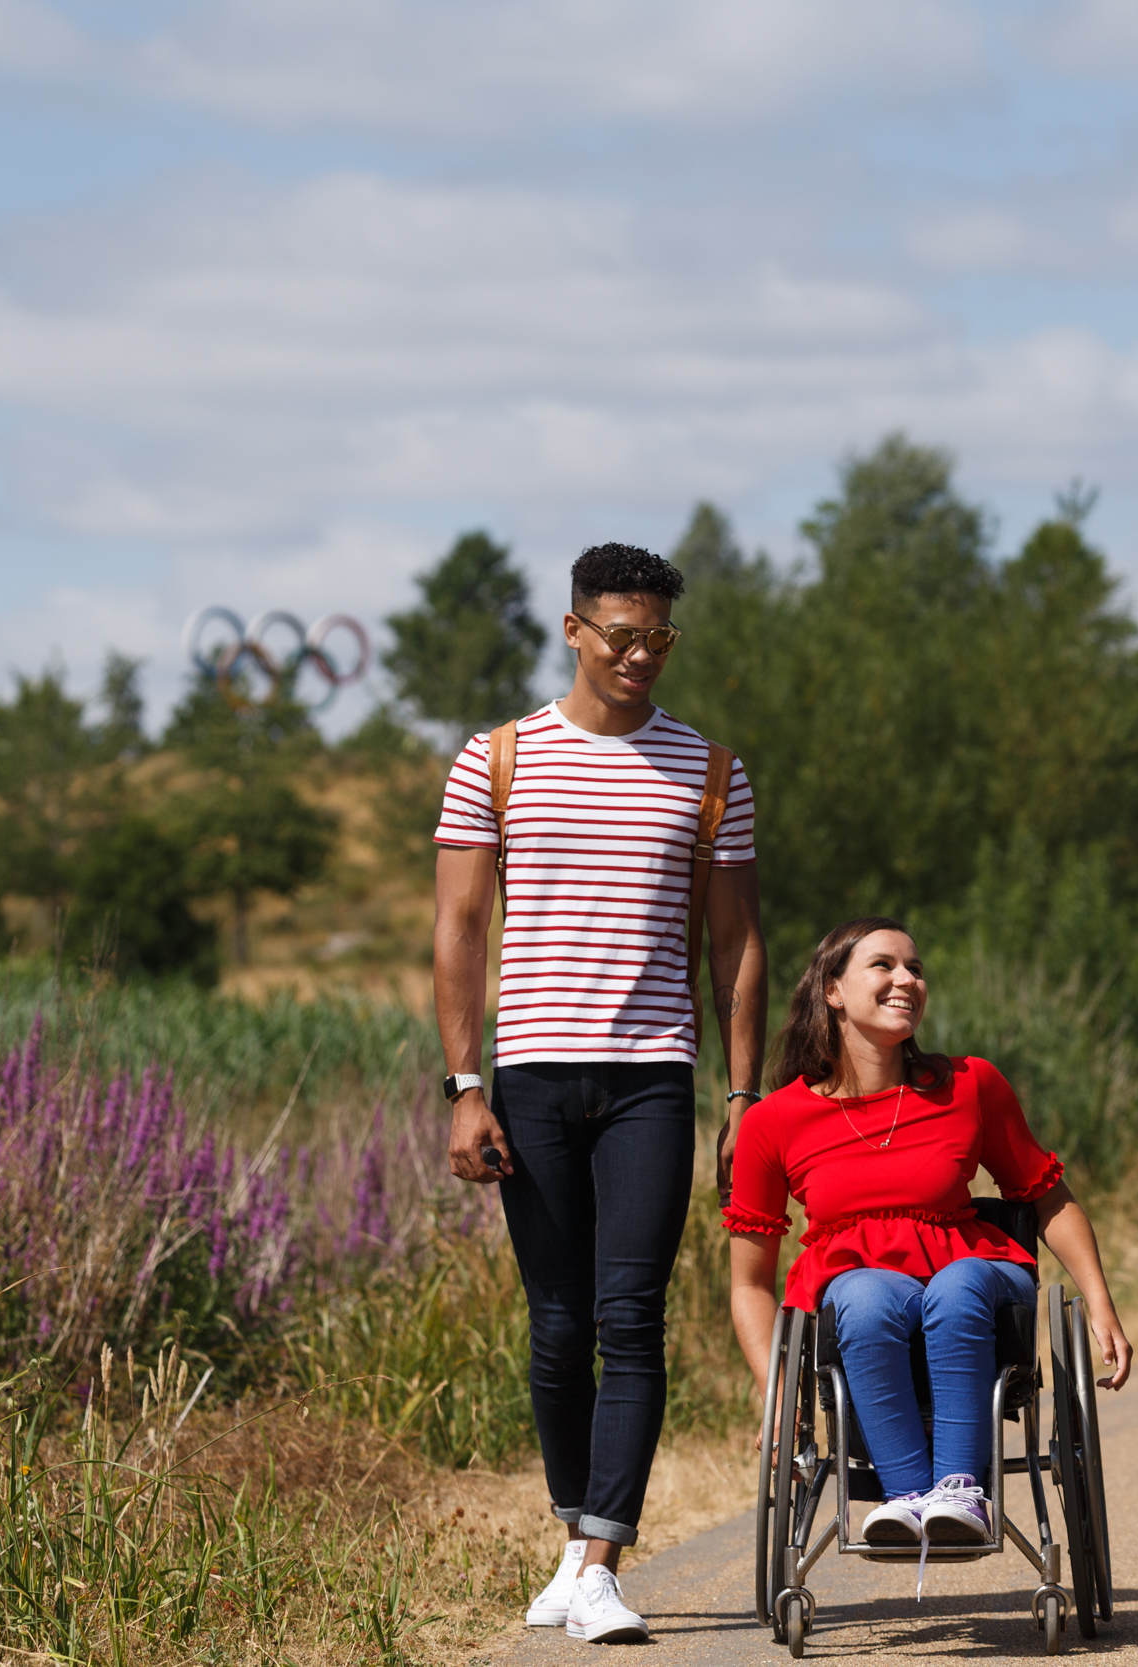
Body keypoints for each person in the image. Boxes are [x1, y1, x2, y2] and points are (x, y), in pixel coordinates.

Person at [432, 542, 767, 1645]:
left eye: (658, 639)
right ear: (573, 629)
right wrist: (463, 1085)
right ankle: (576, 1537)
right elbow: (459, 931)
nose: (638, 656)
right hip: (527, 1073)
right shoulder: (497, 759)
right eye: (619, 636)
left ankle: (599, 1557)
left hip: (651, 1082)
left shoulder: (713, 771)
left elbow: (737, 946)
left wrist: (742, 1096)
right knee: (557, 1325)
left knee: (633, 1317)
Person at [724, 917, 1129, 1556]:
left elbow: (1047, 1195)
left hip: (975, 1270)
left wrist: (1100, 1302)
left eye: (915, 968)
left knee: (958, 1284)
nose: (907, 979)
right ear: (832, 990)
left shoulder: (971, 1084)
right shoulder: (774, 1121)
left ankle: (962, 1494)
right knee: (862, 1295)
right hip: (858, 1294)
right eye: (883, 965)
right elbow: (748, 1281)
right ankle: (909, 1501)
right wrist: (773, 1394)